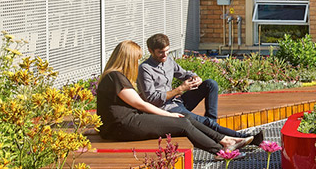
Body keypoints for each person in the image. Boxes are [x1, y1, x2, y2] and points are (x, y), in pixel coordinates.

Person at [96, 40, 251, 157]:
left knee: (185, 119)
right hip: (124, 126)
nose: (137, 63)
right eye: (135, 59)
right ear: (128, 59)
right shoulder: (115, 77)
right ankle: (220, 151)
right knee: (182, 123)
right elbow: (140, 104)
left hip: (127, 122)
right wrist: (169, 115)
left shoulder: (113, 76)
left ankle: (225, 140)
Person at [137, 33, 262, 144]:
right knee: (206, 123)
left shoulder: (168, 61)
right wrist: (181, 88)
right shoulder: (145, 69)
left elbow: (183, 73)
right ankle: (246, 138)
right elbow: (152, 99)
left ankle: (211, 124)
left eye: (167, 51)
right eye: (160, 52)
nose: (164, 55)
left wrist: (194, 77)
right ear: (150, 51)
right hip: (165, 109)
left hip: (176, 101)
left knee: (210, 84)